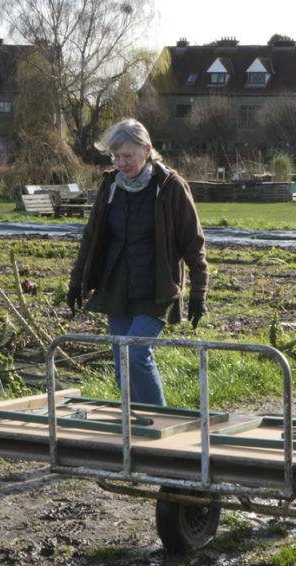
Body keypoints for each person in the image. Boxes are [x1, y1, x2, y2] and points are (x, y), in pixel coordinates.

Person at [67, 118, 208, 406]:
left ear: (147, 151)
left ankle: (160, 422)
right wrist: (76, 283)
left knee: (136, 353)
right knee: (121, 357)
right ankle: (132, 425)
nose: (121, 163)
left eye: (128, 156)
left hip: (157, 287)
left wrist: (198, 294)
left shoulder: (171, 188)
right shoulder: (111, 187)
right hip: (116, 285)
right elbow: (91, 238)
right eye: (116, 156)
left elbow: (194, 244)